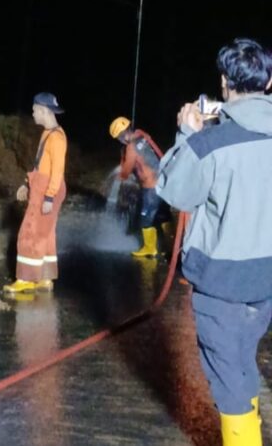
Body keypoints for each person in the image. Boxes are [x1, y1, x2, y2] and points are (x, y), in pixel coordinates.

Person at [156, 38, 272, 446]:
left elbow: (175, 192)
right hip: (266, 282)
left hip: (223, 285)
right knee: (241, 362)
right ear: (269, 82)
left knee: (228, 380)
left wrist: (186, 135)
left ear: (224, 84)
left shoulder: (210, 144)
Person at [4, 93, 67, 294]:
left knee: (30, 232)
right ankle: (44, 277)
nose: (32, 114)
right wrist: (26, 183)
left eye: (34, 110)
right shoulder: (48, 134)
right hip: (43, 186)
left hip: (48, 189)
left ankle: (26, 279)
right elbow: (40, 163)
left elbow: (57, 170)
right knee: (46, 234)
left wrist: (48, 196)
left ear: (44, 111)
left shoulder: (56, 138)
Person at [108, 117, 171, 257]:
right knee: (162, 215)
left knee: (145, 218)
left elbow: (127, 168)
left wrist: (121, 176)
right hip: (163, 182)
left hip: (151, 187)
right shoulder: (142, 137)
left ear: (122, 135)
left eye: (118, 137)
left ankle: (150, 248)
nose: (120, 140)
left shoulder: (131, 146)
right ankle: (170, 243)